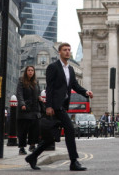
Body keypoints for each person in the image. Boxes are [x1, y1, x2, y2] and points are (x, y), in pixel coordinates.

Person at [26, 42, 92, 172]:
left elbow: (74, 85)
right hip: (56, 106)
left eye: (69, 49)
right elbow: (49, 87)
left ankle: (32, 156)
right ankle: (74, 161)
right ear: (59, 53)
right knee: (70, 130)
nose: (67, 51)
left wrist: (85, 92)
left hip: (63, 105)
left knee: (51, 137)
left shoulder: (71, 69)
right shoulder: (53, 67)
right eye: (65, 50)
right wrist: (49, 106)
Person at [16, 66, 42, 155]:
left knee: (34, 129)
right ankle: (22, 148)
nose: (30, 72)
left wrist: (39, 97)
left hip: (35, 110)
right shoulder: (21, 81)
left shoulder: (36, 82)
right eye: (29, 70)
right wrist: (22, 104)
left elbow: (38, 92)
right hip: (25, 109)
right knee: (23, 130)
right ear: (26, 72)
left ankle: (32, 145)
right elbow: (19, 94)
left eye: (32, 70)